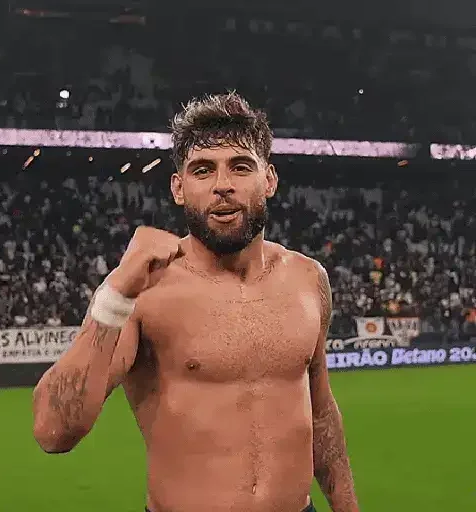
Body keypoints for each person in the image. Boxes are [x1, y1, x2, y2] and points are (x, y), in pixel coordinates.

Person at [33, 92, 359, 512]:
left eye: (240, 166)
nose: (222, 184)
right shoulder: (144, 292)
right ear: (179, 188)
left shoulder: (308, 279)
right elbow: (53, 430)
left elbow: (320, 413)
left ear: (270, 180)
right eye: (202, 170)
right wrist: (114, 294)